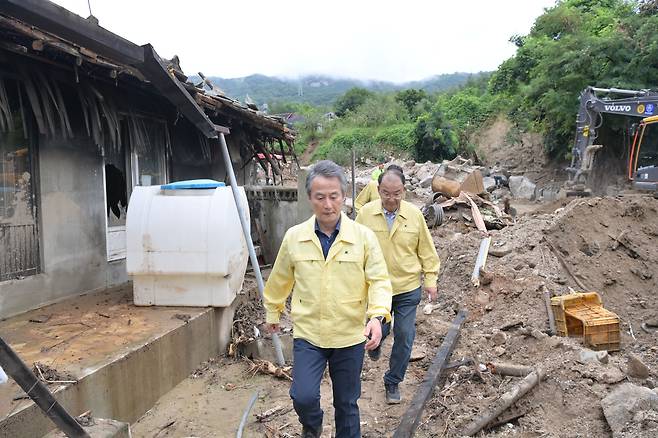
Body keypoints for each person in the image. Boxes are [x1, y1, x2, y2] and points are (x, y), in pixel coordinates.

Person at [264, 160, 392, 438]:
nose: (328, 204)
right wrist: (273, 311)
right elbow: (280, 279)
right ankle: (312, 425)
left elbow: (380, 281)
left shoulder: (363, 238)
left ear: (344, 197)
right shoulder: (294, 238)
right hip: (309, 334)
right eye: (320, 197)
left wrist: (377, 317)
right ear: (310, 198)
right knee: (303, 397)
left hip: (349, 335)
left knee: (347, 404)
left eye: (334, 196)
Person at [356, 165, 440, 404]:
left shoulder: (414, 215)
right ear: (378, 190)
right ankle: (377, 340)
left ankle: (392, 381)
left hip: (407, 287)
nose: (391, 198)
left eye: (397, 193)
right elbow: (354, 250)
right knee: (379, 330)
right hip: (376, 288)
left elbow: (427, 251)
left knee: (404, 335)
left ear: (404, 190)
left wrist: (431, 280)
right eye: (385, 193)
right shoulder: (365, 215)